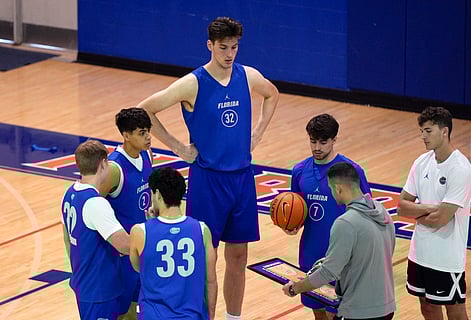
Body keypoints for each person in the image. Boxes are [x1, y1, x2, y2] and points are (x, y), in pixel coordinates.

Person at [138, 16, 279, 319]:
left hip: (241, 179)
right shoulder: (193, 83)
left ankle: (234, 317)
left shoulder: (248, 75)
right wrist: (177, 146)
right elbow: (144, 109)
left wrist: (259, 132)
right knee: (205, 258)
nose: (230, 54)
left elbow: (272, 94)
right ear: (210, 46)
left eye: (235, 47)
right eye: (224, 47)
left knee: (238, 256)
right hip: (208, 181)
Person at [282, 162, 396, 320]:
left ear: (338, 189)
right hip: (386, 306)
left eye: (330, 188)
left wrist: (295, 288)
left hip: (360, 311)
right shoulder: (382, 211)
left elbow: (328, 273)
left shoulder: (345, 223)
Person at [286, 114, 371, 319]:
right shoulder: (299, 171)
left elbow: (367, 212)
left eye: (323, 142)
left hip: (342, 255)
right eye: (313, 141)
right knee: (318, 312)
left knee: (338, 313)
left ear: (334, 140)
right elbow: (297, 211)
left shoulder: (351, 172)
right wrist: (292, 224)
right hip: (311, 252)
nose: (317, 147)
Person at [397, 106, 471, 320]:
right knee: (427, 308)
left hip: (446, 258)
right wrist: (430, 208)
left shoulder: (460, 168)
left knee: (455, 312)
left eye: (428, 131)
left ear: (445, 131)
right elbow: (401, 206)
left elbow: (440, 220)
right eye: (422, 131)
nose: (423, 136)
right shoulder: (421, 163)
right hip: (419, 253)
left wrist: (419, 212)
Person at [129, 167, 217, 319]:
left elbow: (138, 267)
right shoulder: (202, 230)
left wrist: (152, 224)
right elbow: (210, 282)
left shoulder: (139, 231)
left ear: (157, 194)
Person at [61, 139, 130, 320]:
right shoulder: (96, 203)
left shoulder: (69, 194)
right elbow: (125, 246)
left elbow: (67, 238)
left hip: (85, 284)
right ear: (104, 163)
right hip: (100, 290)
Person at [99, 107, 153, 319]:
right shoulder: (114, 169)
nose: (148, 136)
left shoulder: (147, 154)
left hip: (144, 248)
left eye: (148, 130)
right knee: (121, 313)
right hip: (121, 256)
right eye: (142, 133)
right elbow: (95, 207)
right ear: (126, 135)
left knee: (136, 310)